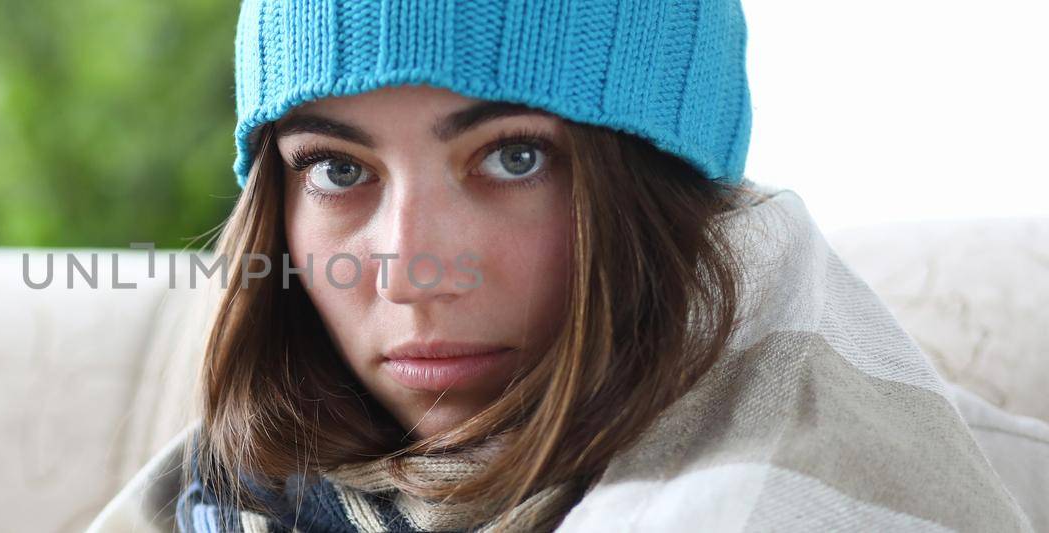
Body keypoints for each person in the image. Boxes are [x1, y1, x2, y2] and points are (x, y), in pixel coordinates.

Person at [90, 0, 1036, 531]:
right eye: (339, 169)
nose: (411, 274)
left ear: (667, 194)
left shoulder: (796, 485)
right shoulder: (233, 499)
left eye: (515, 157)